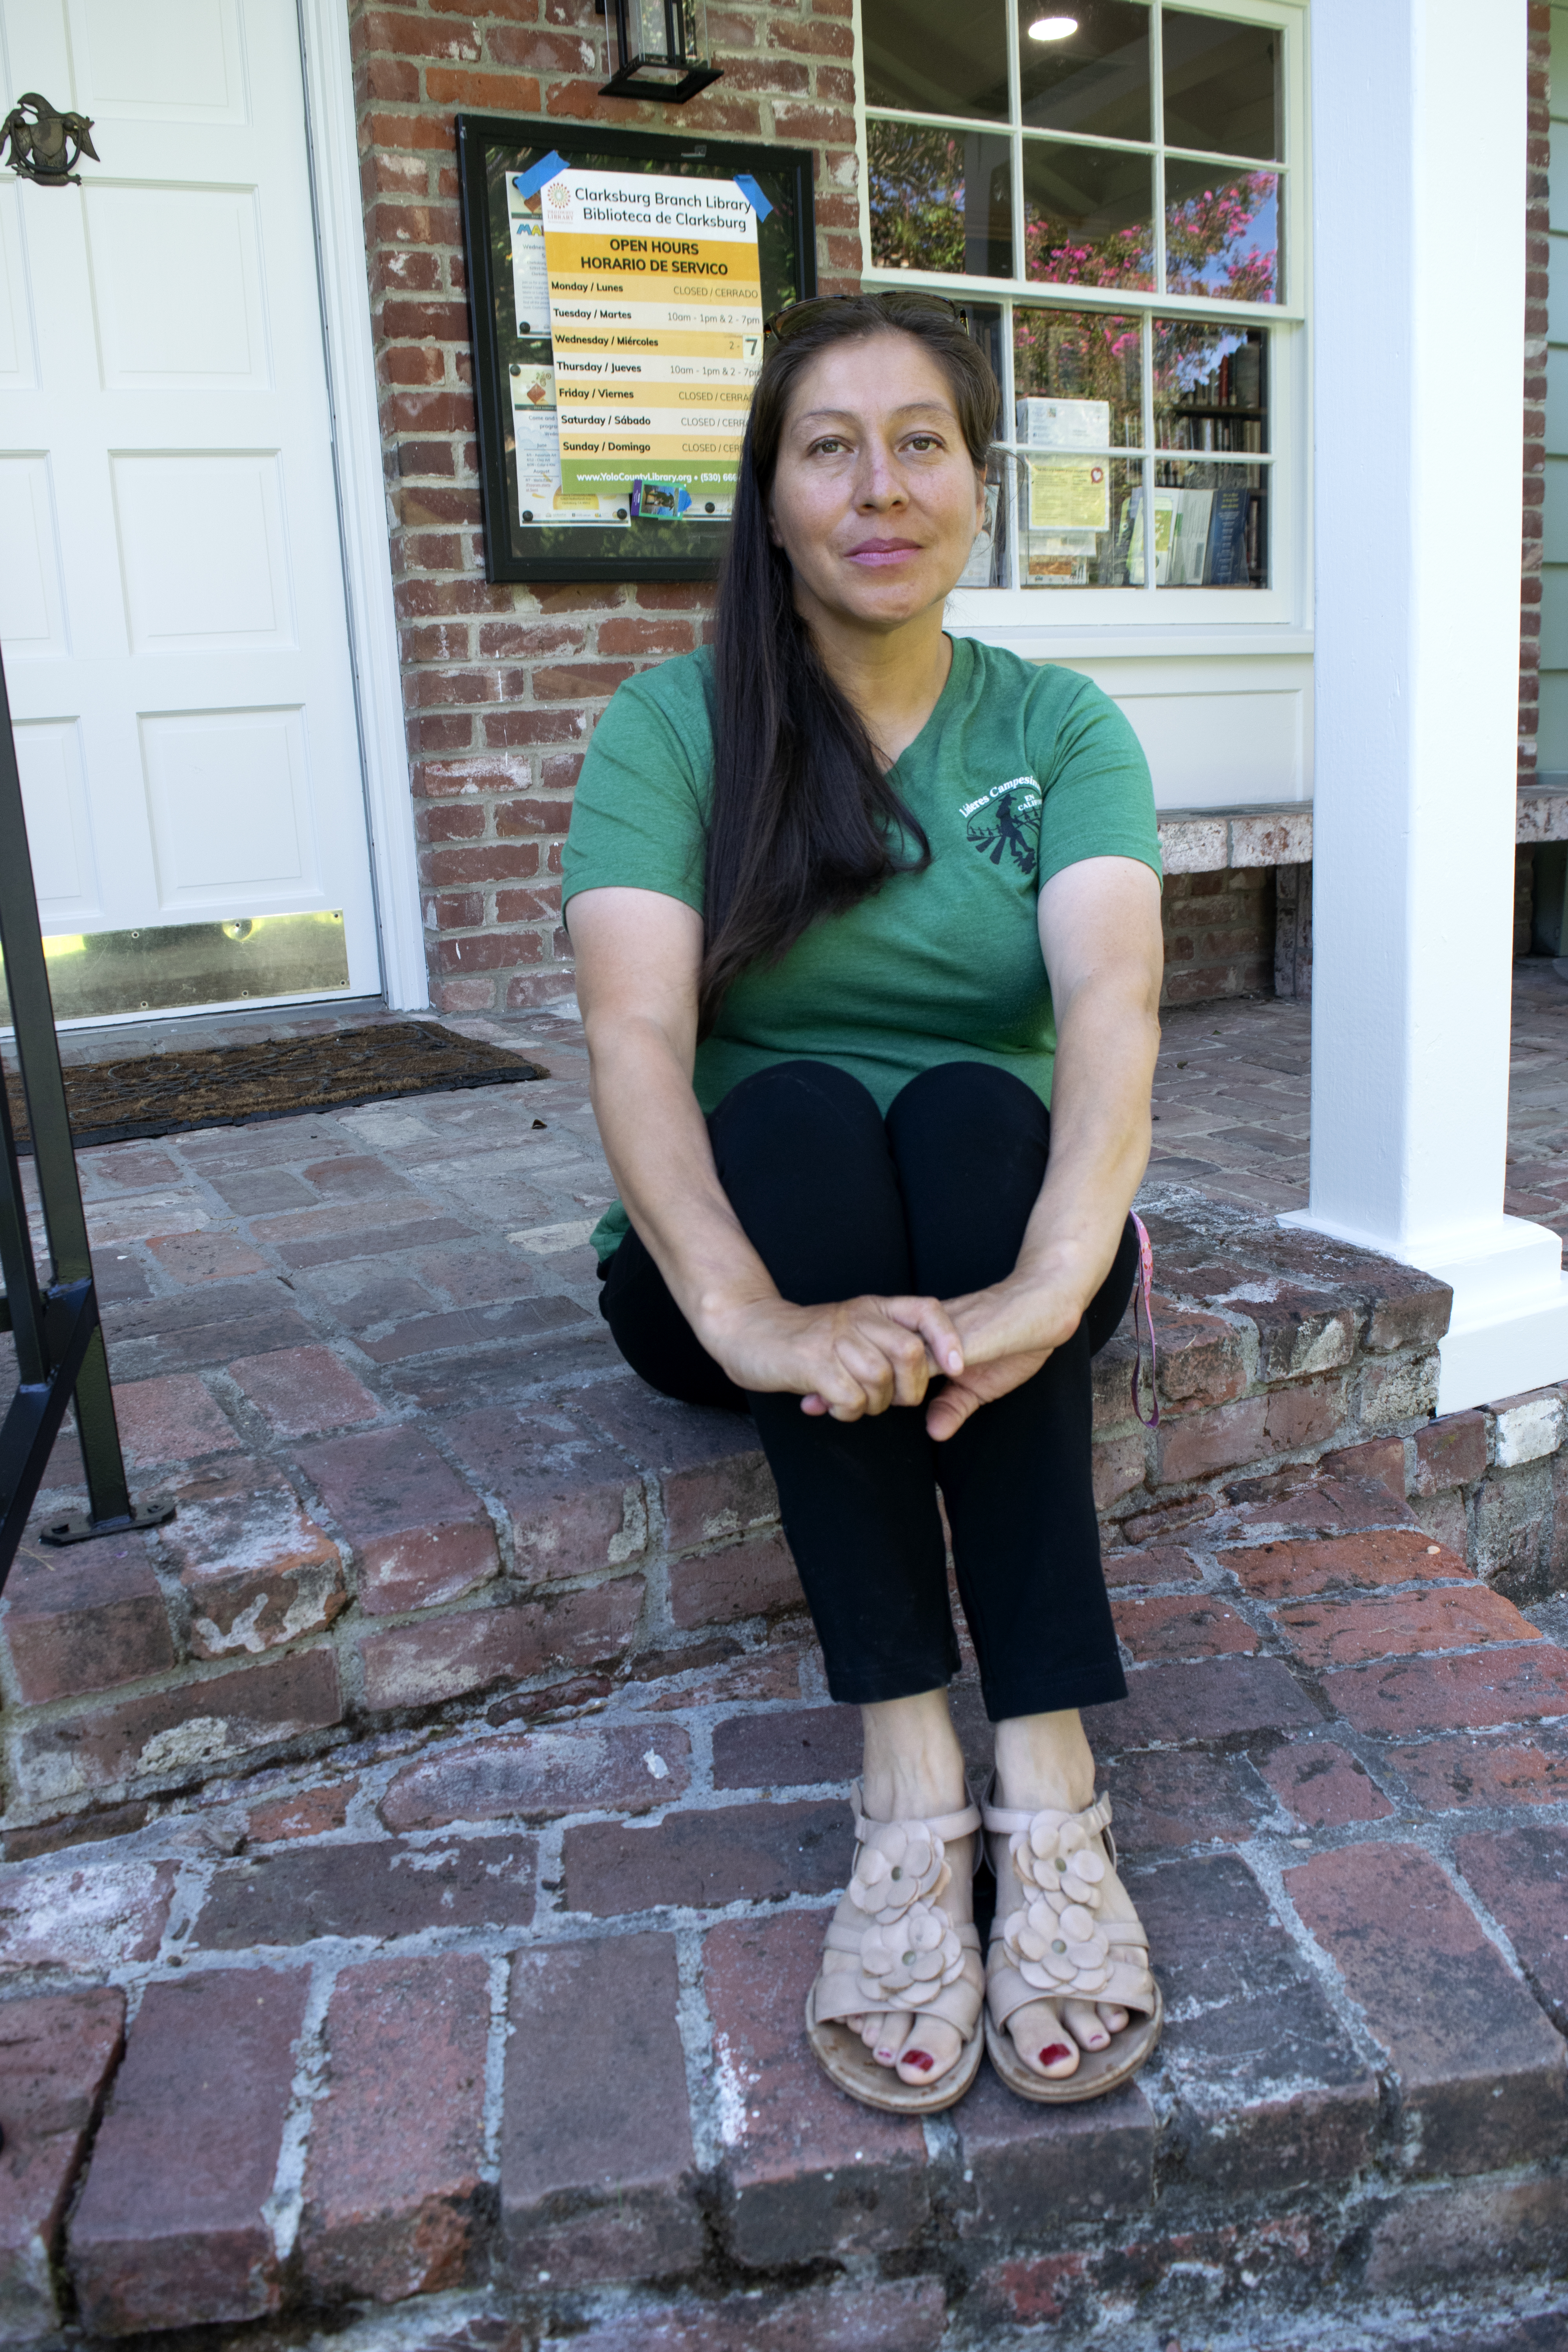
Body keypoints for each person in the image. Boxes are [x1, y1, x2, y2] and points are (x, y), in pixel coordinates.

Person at [561, 291, 1165, 2115]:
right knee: (809, 1116)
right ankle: (915, 1770)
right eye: (830, 445)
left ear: (982, 488)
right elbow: (637, 1040)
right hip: (740, 1266)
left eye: (922, 442)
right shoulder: (673, 729)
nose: (878, 486)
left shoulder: (1057, 726)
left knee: (991, 1111)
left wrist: (1055, 1280)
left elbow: (1114, 1008)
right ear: (768, 498)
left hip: (1004, 1255)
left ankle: (1045, 1773)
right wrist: (751, 1318)